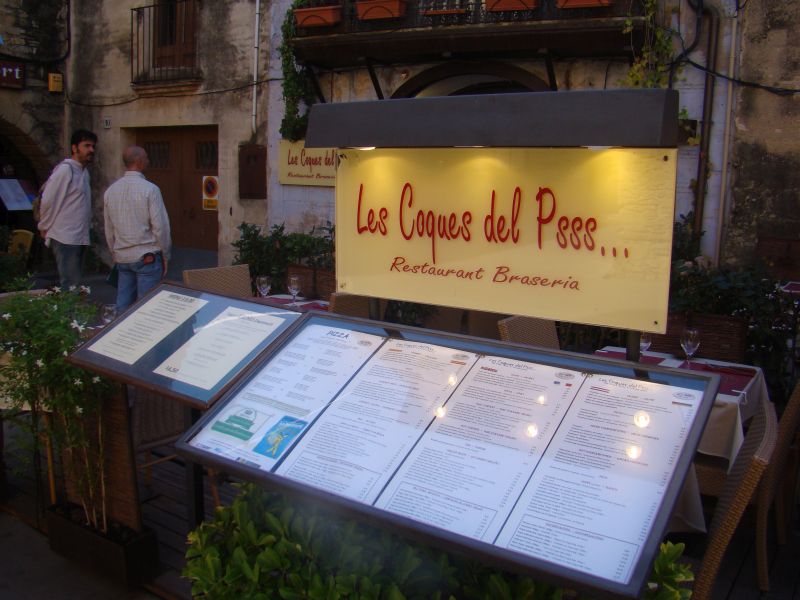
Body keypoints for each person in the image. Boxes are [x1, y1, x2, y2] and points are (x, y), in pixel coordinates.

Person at [103, 145, 171, 312]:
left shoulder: (111, 191)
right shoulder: (150, 189)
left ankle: (119, 336)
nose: (148, 161)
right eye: (146, 158)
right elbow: (160, 227)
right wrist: (165, 253)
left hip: (123, 256)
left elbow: (109, 229)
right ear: (139, 161)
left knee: (123, 306)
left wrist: (114, 252)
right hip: (146, 255)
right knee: (147, 308)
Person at [37, 129, 97, 289]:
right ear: (74, 148)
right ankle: (67, 315)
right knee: (70, 284)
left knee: (74, 285)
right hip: (65, 236)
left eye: (92, 146)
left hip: (79, 236)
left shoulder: (84, 172)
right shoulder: (65, 170)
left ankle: (71, 314)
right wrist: (44, 226)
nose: (91, 150)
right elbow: (48, 200)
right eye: (86, 146)